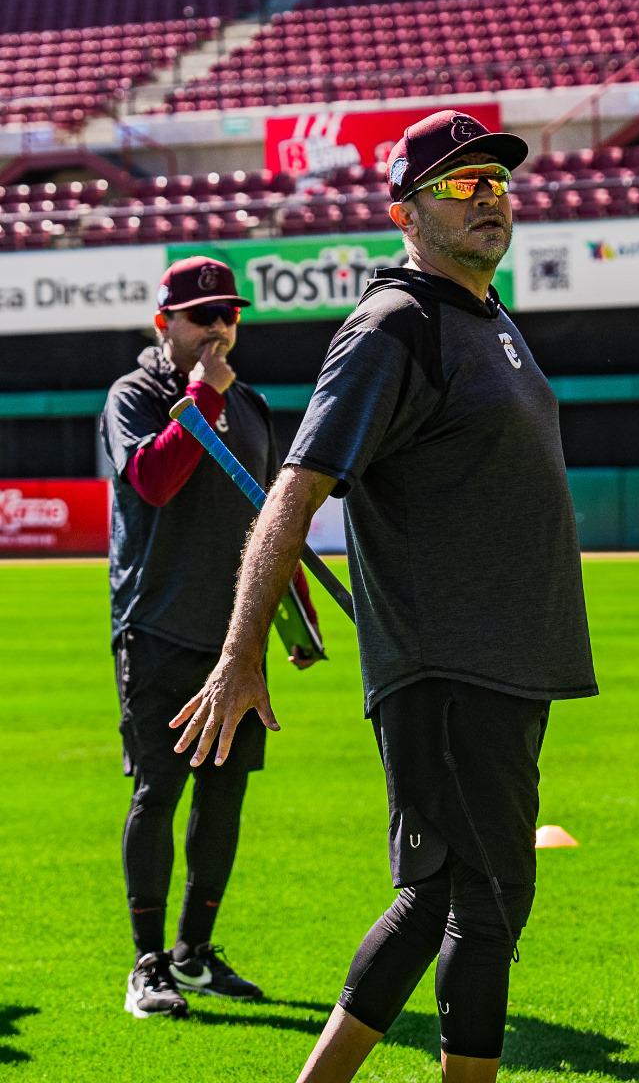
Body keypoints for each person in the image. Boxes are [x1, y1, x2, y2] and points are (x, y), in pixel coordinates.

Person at [171, 109, 598, 1082]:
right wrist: (239, 652)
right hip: (445, 660)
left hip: (505, 658)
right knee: (481, 898)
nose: (485, 194)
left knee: (450, 898)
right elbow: (294, 488)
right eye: (457, 183)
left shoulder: (487, 320)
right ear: (404, 210)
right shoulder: (392, 324)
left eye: (494, 178)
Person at [102, 255, 322, 1019]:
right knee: (158, 792)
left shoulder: (255, 407)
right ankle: (147, 962)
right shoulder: (137, 395)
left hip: (239, 641)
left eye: (229, 315)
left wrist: (292, 605)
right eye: (202, 318)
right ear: (164, 325)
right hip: (158, 627)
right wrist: (202, 395)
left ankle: (195, 953)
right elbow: (155, 483)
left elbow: (269, 519)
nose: (219, 330)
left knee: (224, 797)